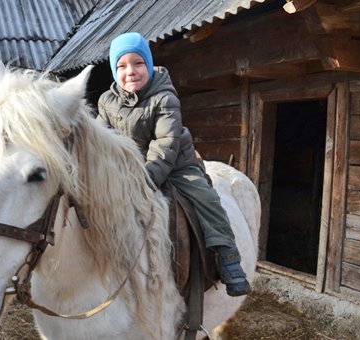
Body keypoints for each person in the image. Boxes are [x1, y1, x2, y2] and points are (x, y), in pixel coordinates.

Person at [96, 32, 251, 297]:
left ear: (149, 64)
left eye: (138, 63)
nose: (130, 72)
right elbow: (100, 141)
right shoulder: (107, 102)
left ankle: (227, 255)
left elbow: (166, 143)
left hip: (176, 164)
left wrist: (144, 180)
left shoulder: (164, 97)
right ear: (114, 70)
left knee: (206, 197)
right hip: (132, 169)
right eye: (121, 66)